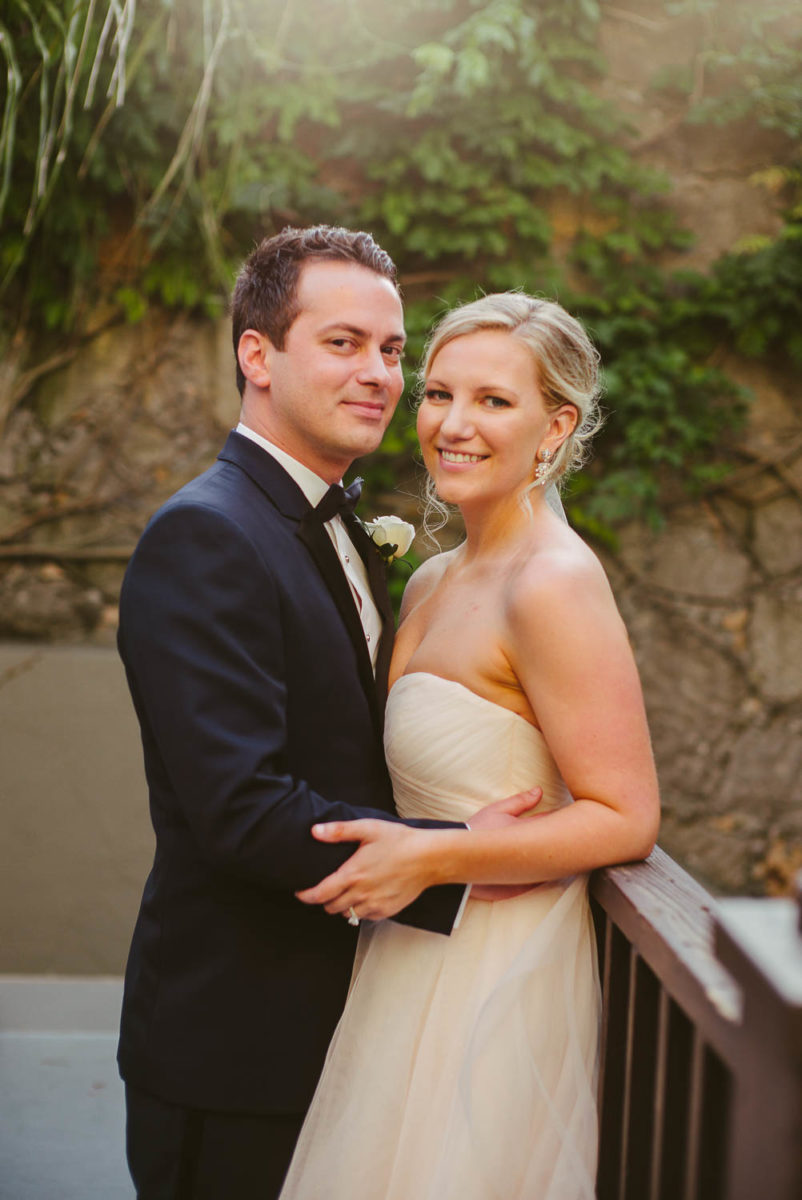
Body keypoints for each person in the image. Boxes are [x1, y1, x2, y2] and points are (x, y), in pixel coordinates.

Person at [116, 227, 533, 1200]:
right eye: (343, 343)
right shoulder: (205, 536)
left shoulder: (337, 521)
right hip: (236, 1050)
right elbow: (242, 809)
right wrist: (452, 859)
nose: (380, 374)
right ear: (255, 356)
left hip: (348, 1028)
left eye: (391, 350)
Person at [281, 293, 661, 1200]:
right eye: (438, 394)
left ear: (554, 425)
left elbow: (627, 816)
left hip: (500, 966)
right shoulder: (435, 580)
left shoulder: (555, 583)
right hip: (408, 950)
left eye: (493, 401)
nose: (452, 425)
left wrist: (451, 851)